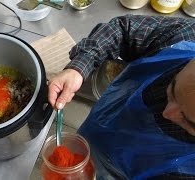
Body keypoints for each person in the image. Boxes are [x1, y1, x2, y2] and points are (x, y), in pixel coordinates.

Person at [48, 14, 195, 179]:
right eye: (173, 90)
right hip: (98, 127)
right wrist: (78, 68)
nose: (167, 113)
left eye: (189, 122)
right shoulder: (186, 35)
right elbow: (122, 29)